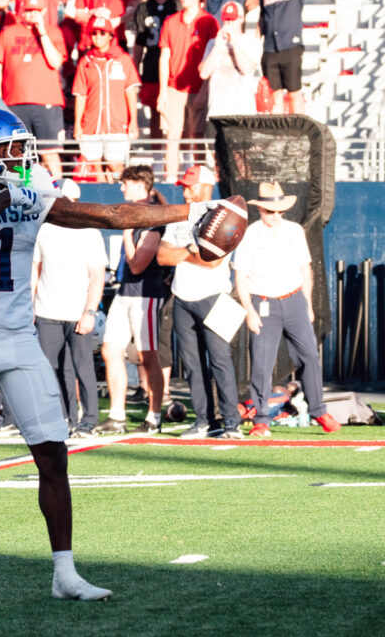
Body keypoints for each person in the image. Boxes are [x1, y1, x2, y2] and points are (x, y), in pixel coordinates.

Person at [0, 108, 227, 605]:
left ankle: (65, 572)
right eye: (10, 150)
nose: (22, 157)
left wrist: (191, 212)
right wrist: (2, 196)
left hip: (19, 336)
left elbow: (113, 216)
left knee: (53, 454)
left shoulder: (36, 186)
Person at [232, 181, 341, 437]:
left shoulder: (294, 231)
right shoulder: (250, 233)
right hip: (263, 302)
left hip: (294, 301)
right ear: (260, 209)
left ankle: (319, 411)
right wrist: (249, 309)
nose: (275, 215)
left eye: (279, 210)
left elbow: (306, 269)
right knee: (261, 364)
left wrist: (308, 304)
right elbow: (240, 276)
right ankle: (261, 419)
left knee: (310, 357)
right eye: (270, 211)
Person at [156, 165, 243, 439]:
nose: (185, 190)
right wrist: (191, 251)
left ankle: (232, 423)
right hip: (182, 297)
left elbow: (214, 260)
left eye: (190, 185)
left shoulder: (223, 211)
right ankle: (205, 421)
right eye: (183, 185)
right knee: (192, 365)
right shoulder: (180, 214)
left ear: (207, 185)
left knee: (220, 362)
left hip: (215, 295)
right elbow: (161, 257)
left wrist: (183, 254)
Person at [97, 165, 168, 434]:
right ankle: (117, 414)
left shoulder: (154, 219)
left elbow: (138, 264)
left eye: (125, 183)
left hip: (145, 295)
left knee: (147, 356)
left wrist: (127, 232)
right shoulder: (138, 214)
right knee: (110, 349)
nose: (121, 187)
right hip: (125, 291)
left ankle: (154, 416)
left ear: (140, 184)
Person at [32, 178, 106, 437]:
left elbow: (98, 276)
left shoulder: (89, 231)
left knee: (82, 367)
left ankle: (89, 421)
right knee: (48, 368)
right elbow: (35, 270)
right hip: (46, 311)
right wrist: (30, 305)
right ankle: (62, 416)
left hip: (77, 312)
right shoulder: (43, 229)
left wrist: (89, 312)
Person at [0, 0, 67, 177]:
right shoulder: (8, 32)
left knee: (49, 153)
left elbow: (56, 62)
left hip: (46, 101)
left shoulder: (53, 32)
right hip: (14, 102)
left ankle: (57, 195)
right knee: (16, 155)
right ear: (21, 11)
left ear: (43, 11)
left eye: (36, 10)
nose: (32, 14)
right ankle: (21, 192)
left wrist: (42, 33)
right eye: (28, 10)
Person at [158, 0, 218, 181]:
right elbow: (164, 56)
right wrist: (163, 91)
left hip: (197, 86)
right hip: (175, 87)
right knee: (172, 137)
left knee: (197, 137)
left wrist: (204, 90)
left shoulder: (209, 22)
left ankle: (198, 179)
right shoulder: (171, 21)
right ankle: (170, 180)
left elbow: (213, 56)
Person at [72, 15, 141, 183]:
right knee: (95, 166)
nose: (98, 37)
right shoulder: (86, 62)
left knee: (115, 166)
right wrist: (77, 124)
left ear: (111, 36)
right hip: (91, 124)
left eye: (102, 33)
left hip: (117, 123)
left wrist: (134, 121)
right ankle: (103, 198)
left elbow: (130, 91)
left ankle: (121, 194)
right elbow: (81, 95)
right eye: (94, 33)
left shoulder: (123, 60)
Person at [132, 0, 180, 141]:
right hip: (152, 65)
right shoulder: (144, 8)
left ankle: (181, 154)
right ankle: (158, 156)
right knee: (155, 113)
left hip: (175, 66)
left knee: (177, 115)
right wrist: (135, 70)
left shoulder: (177, 5)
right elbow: (139, 43)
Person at [259, 0, 310, 114]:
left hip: (290, 45)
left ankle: (299, 134)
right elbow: (262, 15)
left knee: (294, 93)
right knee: (275, 96)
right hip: (270, 47)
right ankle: (278, 136)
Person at [199, 0, 261, 121]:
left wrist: (234, 44)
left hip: (243, 112)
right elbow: (203, 73)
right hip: (217, 111)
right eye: (226, 19)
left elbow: (245, 68)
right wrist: (217, 47)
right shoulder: (213, 43)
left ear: (241, 19)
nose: (228, 23)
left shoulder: (251, 42)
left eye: (232, 19)